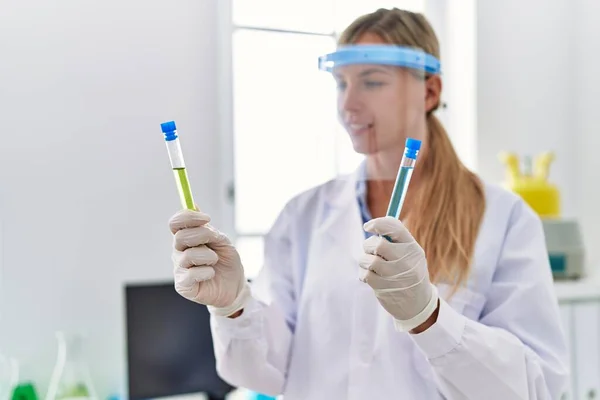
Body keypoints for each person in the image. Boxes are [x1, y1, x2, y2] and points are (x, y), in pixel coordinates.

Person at [168, 8, 569, 400]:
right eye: (342, 84)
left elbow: (533, 388)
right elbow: (265, 374)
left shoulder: (504, 220)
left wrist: (430, 318)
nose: (348, 105)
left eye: (372, 83)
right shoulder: (302, 217)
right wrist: (235, 306)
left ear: (430, 90)